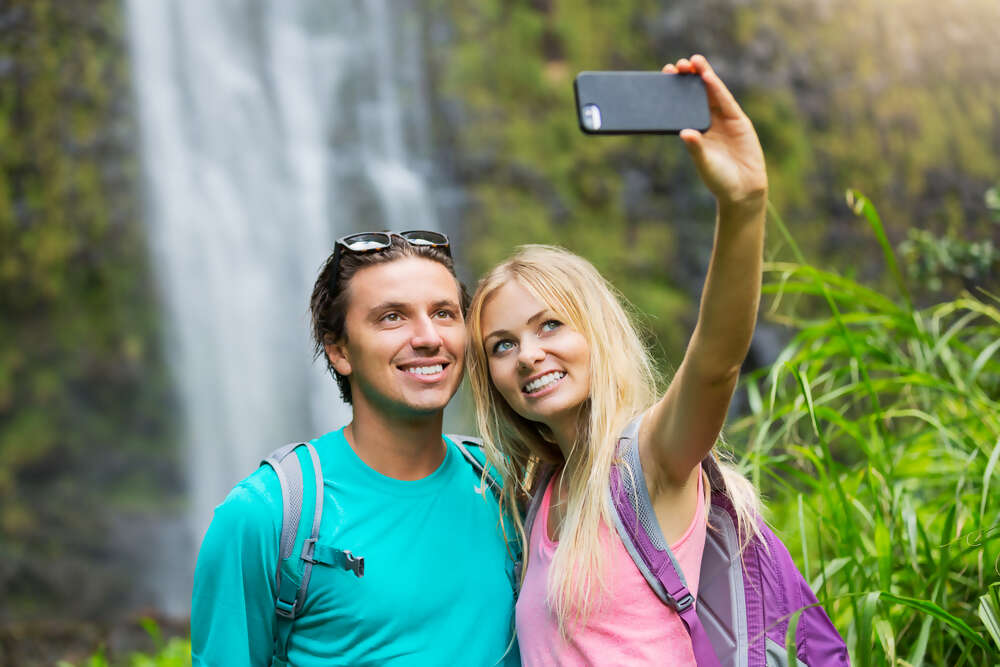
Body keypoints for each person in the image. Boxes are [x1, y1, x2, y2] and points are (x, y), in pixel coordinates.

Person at [466, 55, 767, 664]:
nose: (529, 355)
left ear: (597, 334)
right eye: (503, 345)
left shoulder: (649, 459)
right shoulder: (540, 494)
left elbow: (716, 363)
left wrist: (744, 205)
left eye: (550, 325)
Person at [191, 231, 518, 665]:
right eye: (391, 318)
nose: (427, 337)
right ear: (340, 350)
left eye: (443, 313)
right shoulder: (268, 513)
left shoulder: (508, 488)